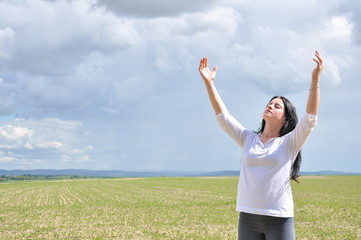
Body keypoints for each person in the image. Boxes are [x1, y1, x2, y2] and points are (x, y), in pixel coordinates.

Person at [198, 51, 323, 240]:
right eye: (270, 103)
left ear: (286, 119)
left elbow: (310, 118)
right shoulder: (248, 138)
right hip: (248, 216)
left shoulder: (289, 142)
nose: (270, 106)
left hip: (279, 218)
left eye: (277, 106)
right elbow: (223, 117)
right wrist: (209, 83)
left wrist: (315, 80)